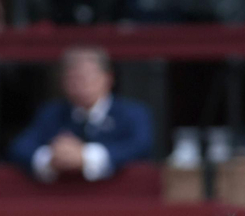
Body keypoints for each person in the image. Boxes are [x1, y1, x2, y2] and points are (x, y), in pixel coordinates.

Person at [8, 46, 153, 182]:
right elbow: (19, 147)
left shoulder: (133, 113)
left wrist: (87, 156)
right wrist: (50, 157)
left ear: (108, 78)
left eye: (88, 76)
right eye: (73, 78)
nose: (80, 84)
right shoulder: (52, 113)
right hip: (60, 195)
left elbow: (141, 146)